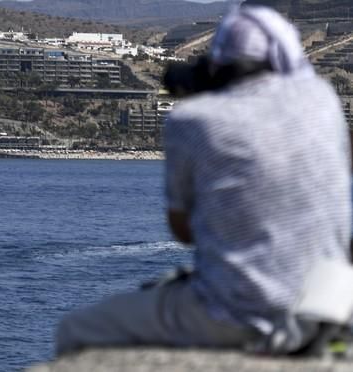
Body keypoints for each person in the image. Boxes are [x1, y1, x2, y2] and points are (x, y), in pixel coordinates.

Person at [56, 5, 351, 356]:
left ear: (218, 62)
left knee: (76, 329)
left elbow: (181, 230)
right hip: (329, 302)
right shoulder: (323, 102)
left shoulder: (192, 119)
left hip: (247, 312)